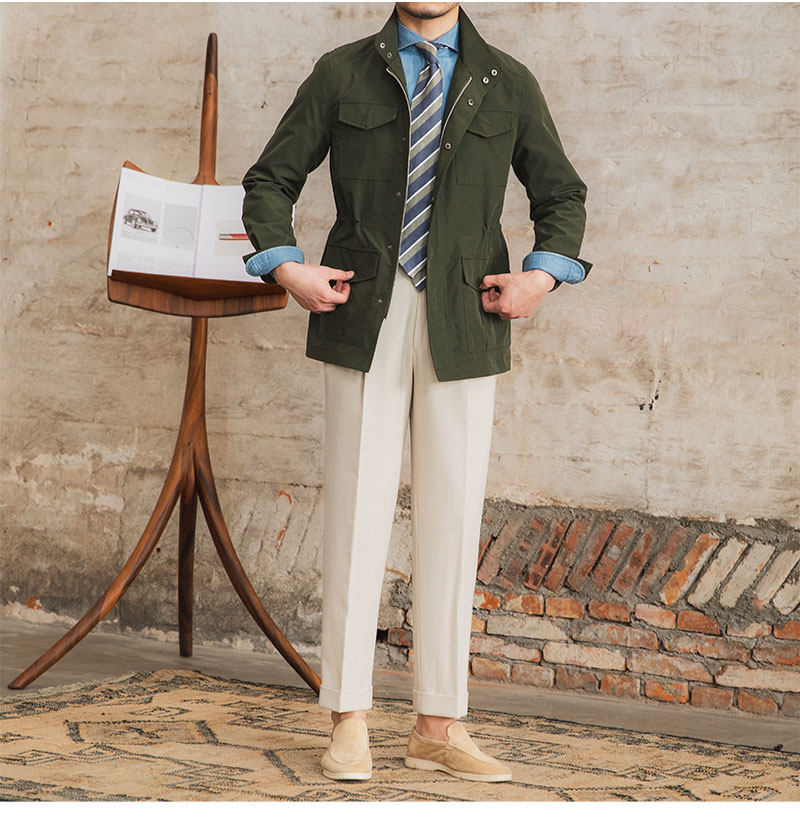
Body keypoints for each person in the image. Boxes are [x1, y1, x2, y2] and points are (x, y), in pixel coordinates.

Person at [241, 1, 590, 782]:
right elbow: (270, 179)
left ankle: (438, 723)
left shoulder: (507, 83)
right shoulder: (342, 73)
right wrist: (288, 267)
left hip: (466, 315)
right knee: (355, 511)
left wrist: (539, 279)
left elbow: (562, 196)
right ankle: (348, 718)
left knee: (452, 517)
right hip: (362, 308)